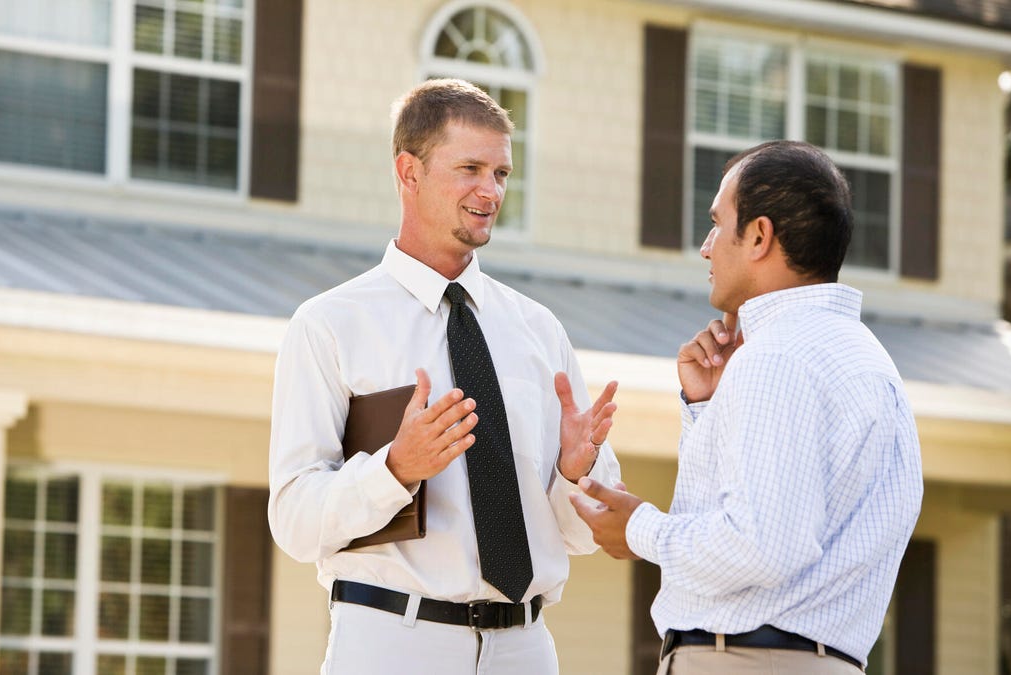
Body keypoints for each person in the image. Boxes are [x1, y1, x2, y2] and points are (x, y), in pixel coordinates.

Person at [268, 78, 622, 675]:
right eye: (470, 169)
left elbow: (584, 535)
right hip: (391, 644)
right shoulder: (330, 325)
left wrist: (575, 470)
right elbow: (296, 523)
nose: (491, 190)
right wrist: (396, 470)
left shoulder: (538, 330)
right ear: (409, 172)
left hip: (525, 649)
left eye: (502, 173)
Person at [570, 140, 923, 674]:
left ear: (759, 236)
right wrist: (707, 409)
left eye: (717, 223)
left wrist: (639, 529)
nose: (707, 246)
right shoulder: (867, 360)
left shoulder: (777, 357)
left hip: (744, 660)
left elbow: (762, 546)